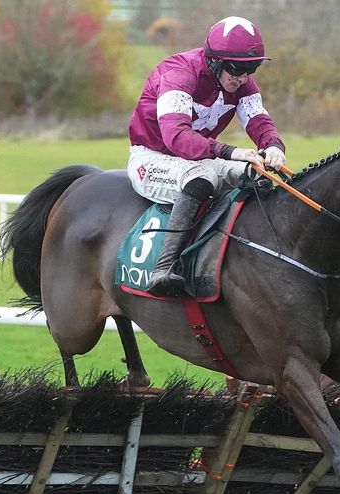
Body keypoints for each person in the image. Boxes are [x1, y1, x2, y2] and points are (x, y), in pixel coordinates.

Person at [127, 16, 286, 297]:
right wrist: (231, 152)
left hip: (198, 159)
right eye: (237, 68)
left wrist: (273, 146)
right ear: (214, 61)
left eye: (253, 68)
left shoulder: (243, 85)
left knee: (255, 173)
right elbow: (175, 137)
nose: (244, 78)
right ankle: (163, 268)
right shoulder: (178, 73)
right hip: (151, 158)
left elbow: (259, 121)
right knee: (203, 177)